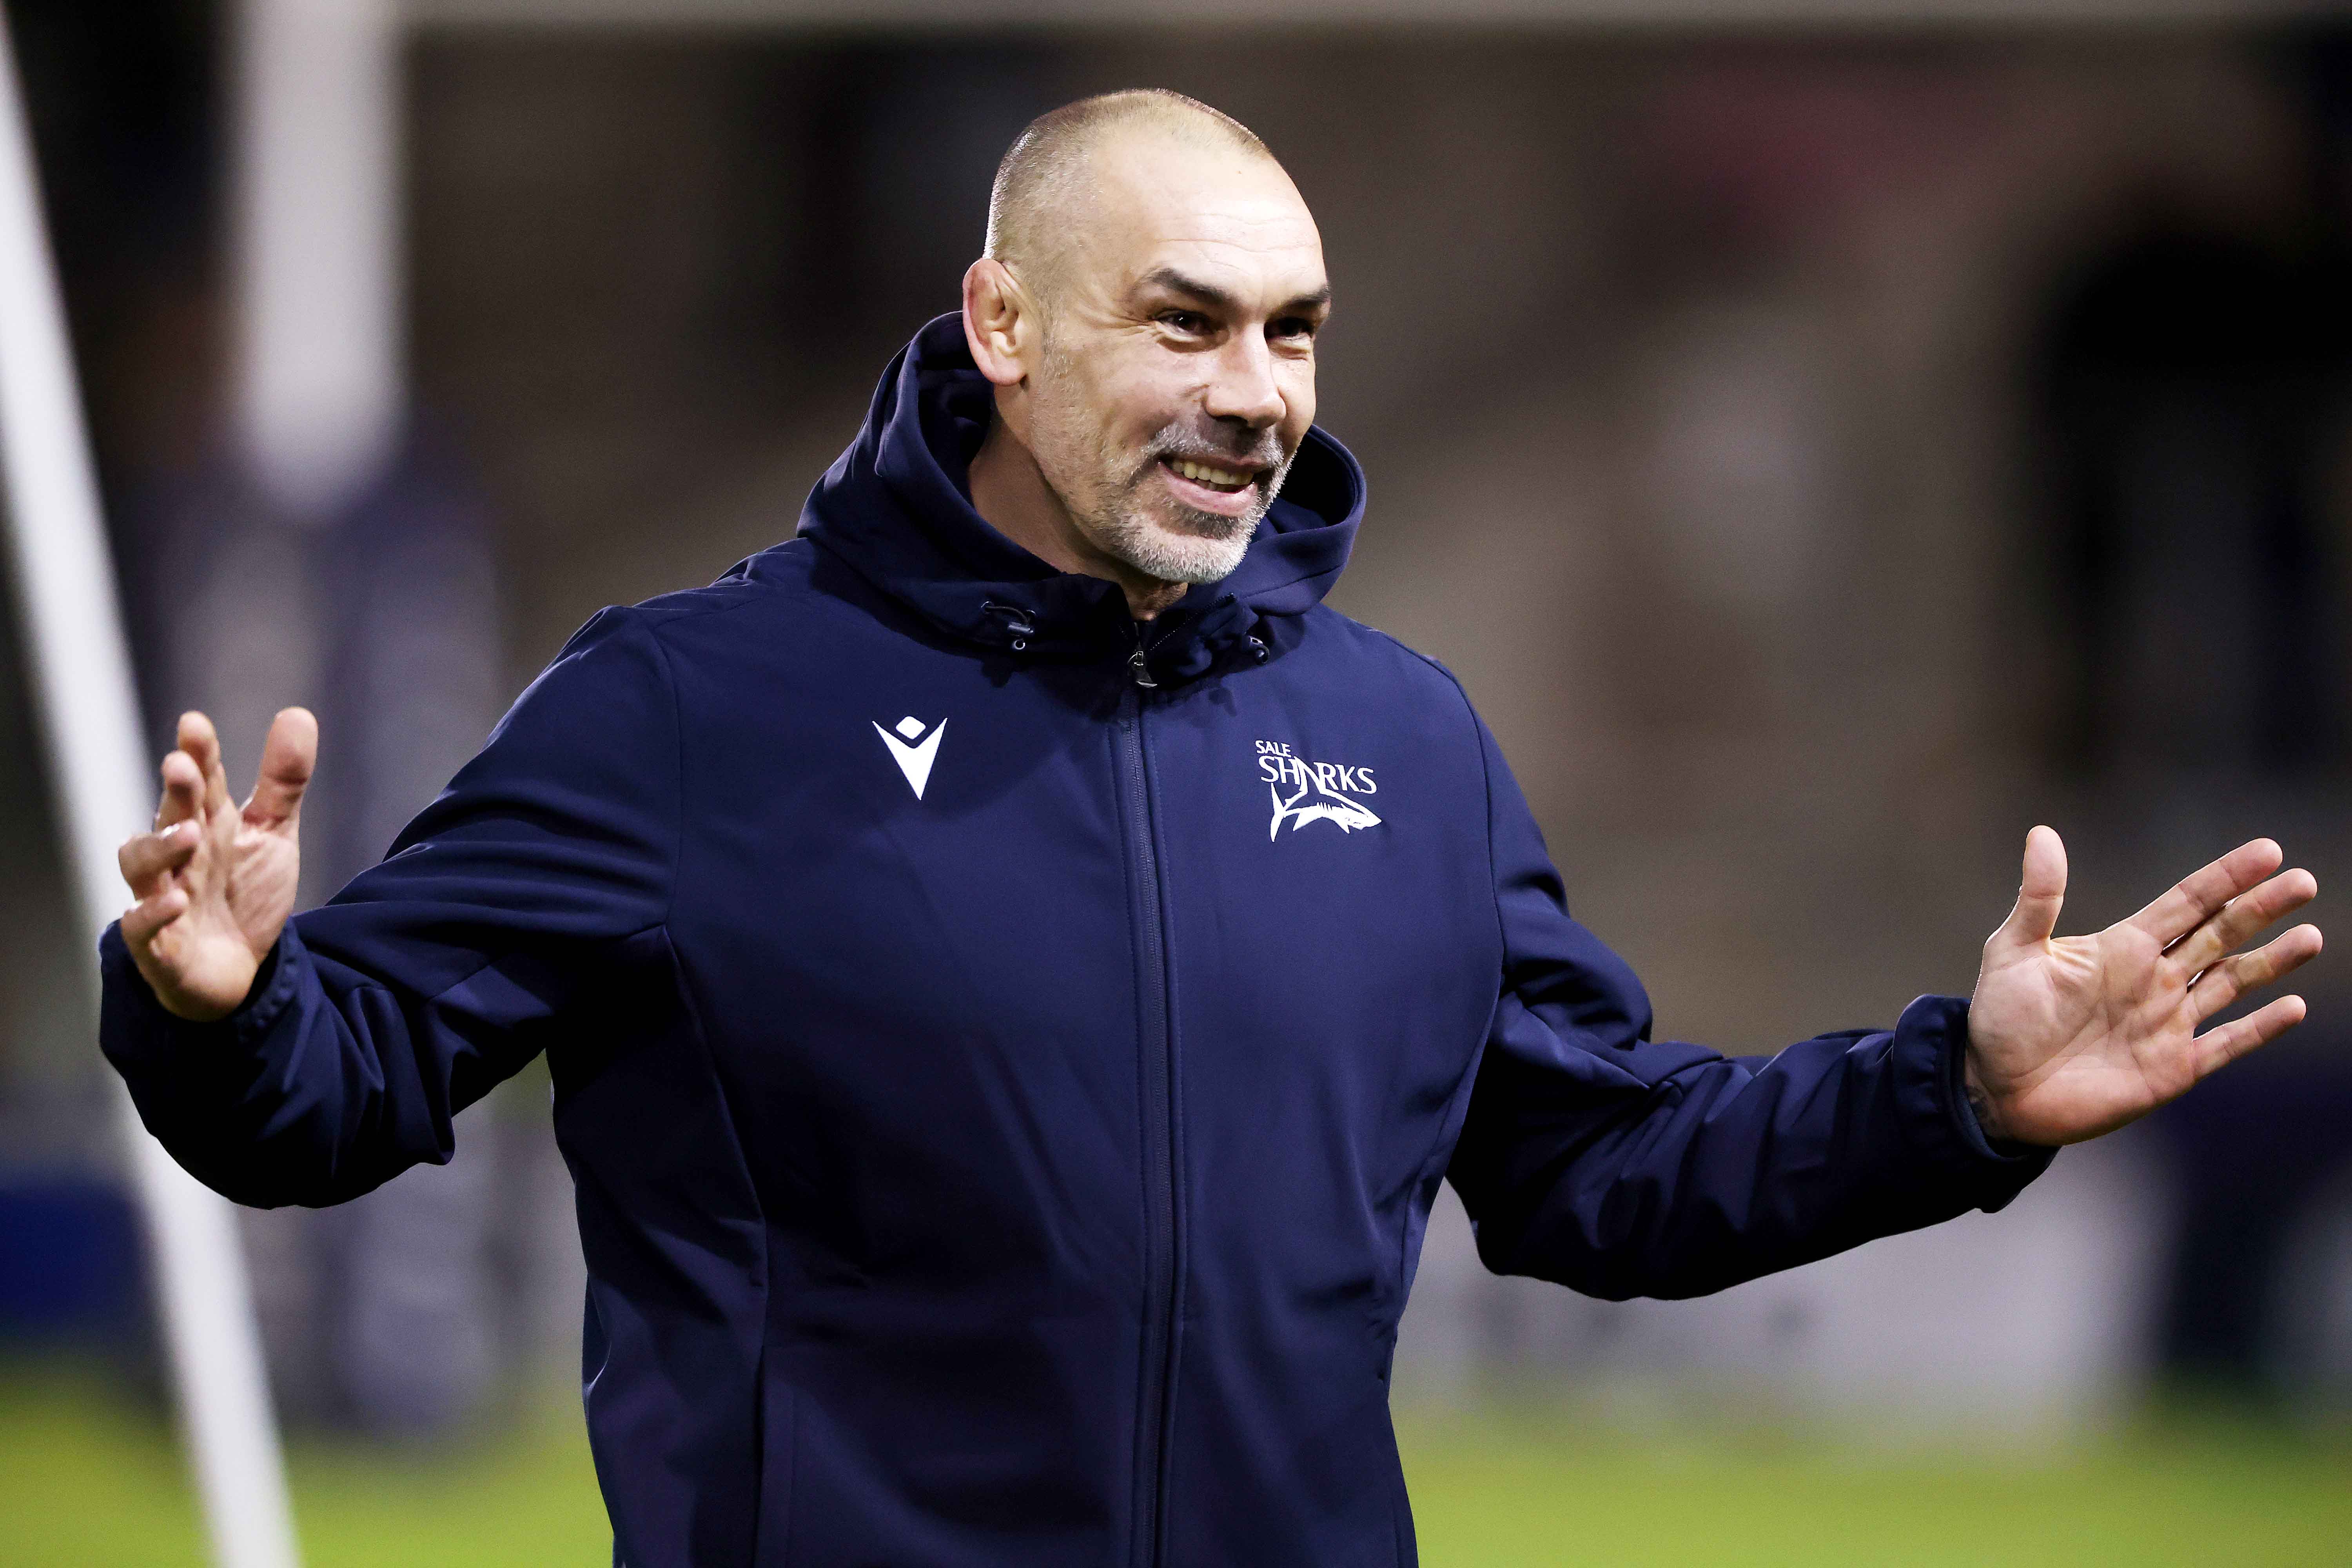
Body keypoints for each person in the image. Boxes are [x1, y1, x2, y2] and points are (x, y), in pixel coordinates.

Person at [101, 90, 2320, 1568]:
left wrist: (1961, 1096)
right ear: (1003, 325)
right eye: (1186, 322)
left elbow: (1601, 1172)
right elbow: (335, 1089)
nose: (1256, 390)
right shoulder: (689, 710)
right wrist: (217, 1002)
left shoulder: (1410, 747)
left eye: (1295, 332)